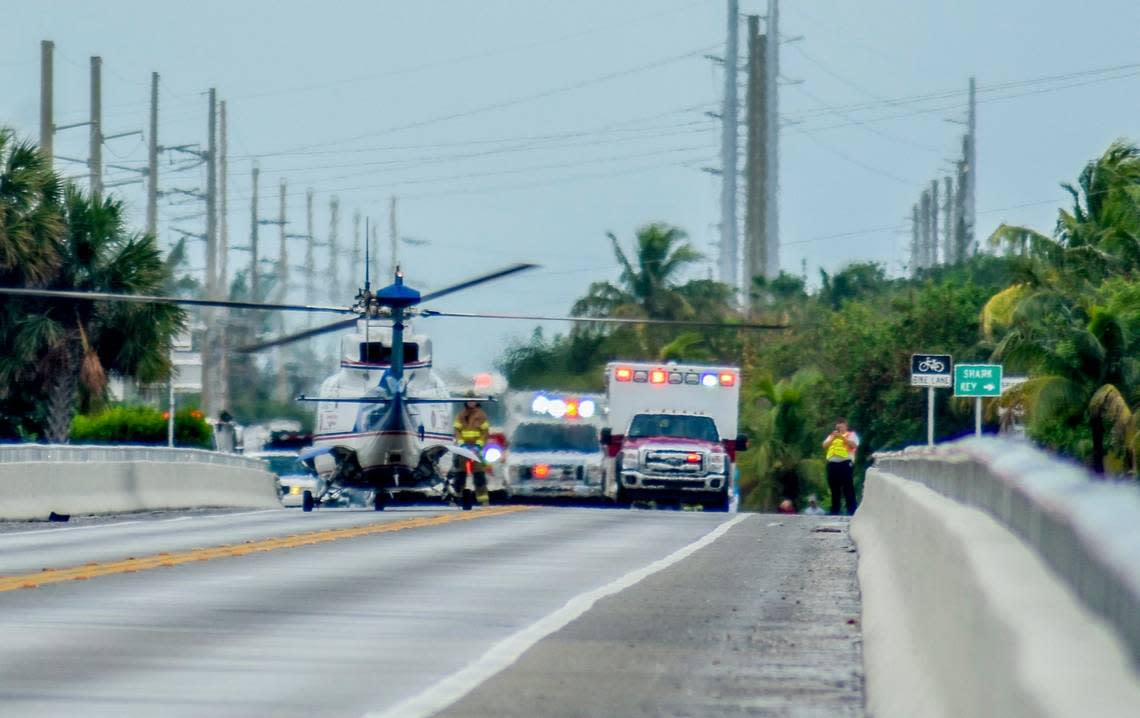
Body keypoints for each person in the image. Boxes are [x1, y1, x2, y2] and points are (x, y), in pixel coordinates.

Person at [451, 399, 491, 502]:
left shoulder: (481, 415)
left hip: (476, 449)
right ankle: (457, 495)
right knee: (460, 473)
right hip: (464, 448)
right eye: (469, 401)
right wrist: (461, 443)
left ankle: (482, 498)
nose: (471, 403)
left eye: (473, 401)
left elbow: (485, 432)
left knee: (479, 474)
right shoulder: (461, 415)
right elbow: (457, 431)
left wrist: (478, 445)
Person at [822, 418, 859, 515]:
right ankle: (835, 510)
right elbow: (824, 445)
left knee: (848, 487)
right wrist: (833, 438)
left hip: (845, 463)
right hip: (832, 463)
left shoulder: (851, 435)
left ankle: (851, 510)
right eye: (838, 425)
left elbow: (854, 445)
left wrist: (842, 438)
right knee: (834, 488)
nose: (840, 427)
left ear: (846, 425)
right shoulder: (832, 436)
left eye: (841, 425)